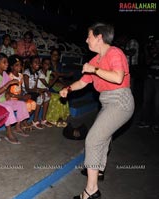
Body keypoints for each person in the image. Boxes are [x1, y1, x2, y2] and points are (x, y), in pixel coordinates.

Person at [59, 22, 134, 199]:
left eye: (89, 36)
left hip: (120, 100)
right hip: (107, 103)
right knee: (103, 138)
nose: (86, 40)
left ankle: (90, 191)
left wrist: (94, 69)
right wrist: (68, 89)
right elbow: (83, 82)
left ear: (99, 37)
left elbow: (118, 77)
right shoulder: (95, 59)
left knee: (93, 139)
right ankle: (98, 171)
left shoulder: (115, 53)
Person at [0, 53, 30, 144]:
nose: (7, 64)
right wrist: (9, 84)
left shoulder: (4, 74)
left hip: (2, 100)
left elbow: (5, 91)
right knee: (9, 108)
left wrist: (8, 94)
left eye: (7, 62)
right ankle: (8, 133)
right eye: (4, 62)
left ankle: (18, 127)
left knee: (21, 104)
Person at [7, 54, 35, 131]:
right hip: (12, 98)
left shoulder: (20, 75)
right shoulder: (10, 76)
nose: (19, 67)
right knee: (27, 105)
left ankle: (23, 122)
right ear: (11, 66)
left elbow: (20, 88)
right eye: (17, 65)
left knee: (33, 103)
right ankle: (18, 125)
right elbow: (8, 93)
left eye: (21, 65)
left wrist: (24, 94)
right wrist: (21, 97)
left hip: (19, 96)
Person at [23, 55, 52, 129]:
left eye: (39, 62)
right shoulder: (26, 73)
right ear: (30, 64)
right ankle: (35, 120)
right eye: (35, 62)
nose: (38, 64)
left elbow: (35, 87)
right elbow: (27, 88)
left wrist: (43, 91)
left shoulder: (37, 73)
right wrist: (38, 91)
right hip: (25, 92)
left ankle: (43, 119)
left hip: (32, 92)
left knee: (47, 95)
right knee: (40, 98)